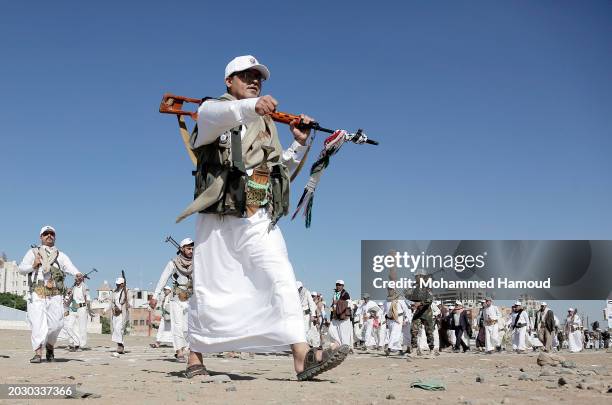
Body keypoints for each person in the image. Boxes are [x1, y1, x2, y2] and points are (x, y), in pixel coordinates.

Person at [180, 55, 349, 380]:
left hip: (257, 213)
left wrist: (299, 146)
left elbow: (275, 174)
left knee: (280, 275)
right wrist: (250, 107)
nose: (254, 80)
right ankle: (194, 356)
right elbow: (215, 114)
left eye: (258, 76)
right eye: (245, 75)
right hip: (219, 213)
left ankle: (303, 357)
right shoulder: (213, 111)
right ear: (229, 80)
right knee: (211, 286)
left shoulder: (265, 125)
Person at [18, 225, 82, 363]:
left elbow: (70, 267)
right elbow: (22, 269)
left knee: (56, 324)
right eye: (46, 233)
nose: (49, 235)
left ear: (55, 236)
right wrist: (33, 266)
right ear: (41, 237)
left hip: (55, 293)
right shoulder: (33, 252)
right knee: (37, 323)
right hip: (37, 292)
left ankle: (50, 346)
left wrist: (77, 274)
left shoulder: (60, 255)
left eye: (51, 233)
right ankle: (38, 353)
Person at [151, 238, 194, 362]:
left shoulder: (196, 263)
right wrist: (155, 296)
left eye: (192, 248)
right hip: (176, 299)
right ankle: (179, 351)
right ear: (182, 249)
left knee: (187, 328)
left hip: (190, 299)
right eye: (188, 248)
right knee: (177, 325)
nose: (191, 251)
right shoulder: (173, 263)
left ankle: (184, 347)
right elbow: (162, 280)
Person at [67, 273, 91, 351]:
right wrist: (68, 293)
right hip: (73, 308)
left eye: (77, 279)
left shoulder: (85, 286)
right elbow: (70, 297)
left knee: (81, 327)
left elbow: (88, 298)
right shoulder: (74, 287)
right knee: (71, 326)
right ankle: (74, 342)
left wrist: (88, 309)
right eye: (75, 279)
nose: (76, 280)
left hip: (82, 308)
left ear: (81, 279)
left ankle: (80, 345)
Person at [384, 290, 410, 355]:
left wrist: (406, 319)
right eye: (389, 289)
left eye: (391, 289)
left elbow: (406, 310)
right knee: (394, 335)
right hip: (390, 320)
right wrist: (385, 319)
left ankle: (389, 348)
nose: (389, 291)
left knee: (394, 333)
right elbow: (384, 311)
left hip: (398, 319)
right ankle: (400, 350)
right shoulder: (386, 300)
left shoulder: (400, 300)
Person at [328, 280, 353, 347]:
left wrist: (338, 302)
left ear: (342, 286)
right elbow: (333, 304)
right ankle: (338, 344)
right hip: (335, 315)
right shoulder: (335, 293)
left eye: (339, 285)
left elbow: (350, 304)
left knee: (344, 333)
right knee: (331, 330)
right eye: (337, 284)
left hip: (343, 316)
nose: (338, 286)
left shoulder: (345, 294)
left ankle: (345, 347)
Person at [108, 277, 128, 355]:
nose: (117, 285)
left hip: (122, 313)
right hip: (115, 313)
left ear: (122, 284)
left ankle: (120, 345)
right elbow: (111, 302)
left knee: (119, 328)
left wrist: (127, 300)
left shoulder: (127, 291)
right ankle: (120, 345)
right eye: (117, 284)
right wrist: (107, 309)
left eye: (119, 284)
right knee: (115, 330)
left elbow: (129, 301)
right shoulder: (114, 292)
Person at [296, 281, 318, 347]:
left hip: (306, 315)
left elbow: (311, 304)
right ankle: (307, 345)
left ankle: (311, 345)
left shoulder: (307, 292)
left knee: (305, 330)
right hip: (299, 315)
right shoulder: (296, 293)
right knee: (301, 331)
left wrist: (313, 315)